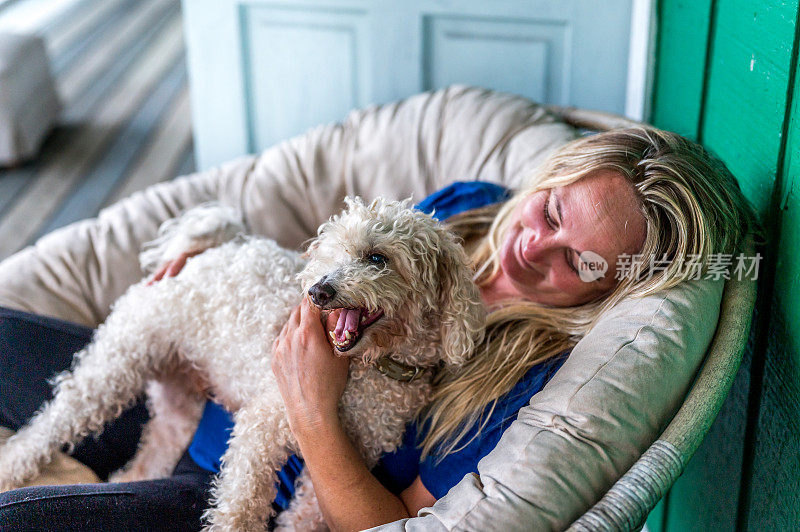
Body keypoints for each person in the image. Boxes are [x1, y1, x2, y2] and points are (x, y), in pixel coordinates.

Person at [0, 127, 753, 530]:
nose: (532, 248)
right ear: (550, 177)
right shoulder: (466, 204)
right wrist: (221, 247)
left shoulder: (527, 373)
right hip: (195, 376)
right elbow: (326, 271)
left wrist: (310, 406)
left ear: (608, 289)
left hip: (226, 490)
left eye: (580, 263)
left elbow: (394, 528)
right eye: (551, 213)